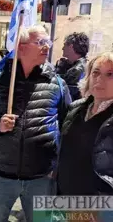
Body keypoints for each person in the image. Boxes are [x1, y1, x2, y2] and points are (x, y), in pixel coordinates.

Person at [0, 25, 72, 222]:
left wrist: (59, 165)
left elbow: (68, 126)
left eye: (48, 42)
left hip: (41, 176)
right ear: (21, 47)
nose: (47, 47)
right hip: (1, 174)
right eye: (40, 42)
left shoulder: (57, 83)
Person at [57, 52, 113, 196]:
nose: (99, 79)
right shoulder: (75, 107)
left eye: (110, 74)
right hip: (63, 196)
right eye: (95, 73)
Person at [56, 32, 89, 101]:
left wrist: (59, 69)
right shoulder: (79, 65)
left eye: (64, 45)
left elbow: (59, 90)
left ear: (71, 46)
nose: (62, 48)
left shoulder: (77, 70)